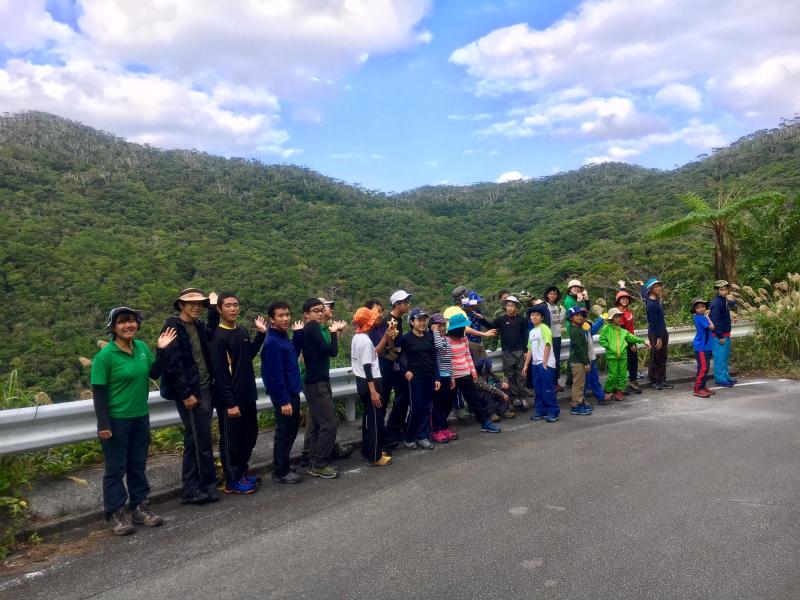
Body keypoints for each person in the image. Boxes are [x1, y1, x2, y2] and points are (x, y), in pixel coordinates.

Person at [92, 307, 176, 535]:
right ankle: (115, 513)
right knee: (116, 469)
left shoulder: (140, 348)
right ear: (113, 327)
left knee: (137, 465)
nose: (128, 325)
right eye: (122, 322)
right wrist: (104, 424)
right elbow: (98, 393)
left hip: (140, 416)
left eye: (131, 321)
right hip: (117, 420)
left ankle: (140, 508)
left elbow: (154, 373)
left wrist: (162, 350)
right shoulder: (105, 356)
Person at [159, 288, 219, 505]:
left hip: (204, 388)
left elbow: (212, 333)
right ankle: (203, 486)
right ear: (181, 305)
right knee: (200, 440)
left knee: (195, 438)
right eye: (190, 303)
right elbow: (173, 363)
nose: (196, 307)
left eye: (200, 304)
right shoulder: (173, 327)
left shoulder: (198, 325)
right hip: (191, 392)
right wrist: (186, 394)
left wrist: (212, 309)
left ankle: (193, 486)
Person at [208, 292, 266, 494]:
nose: (233, 309)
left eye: (236, 305)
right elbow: (220, 373)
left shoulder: (241, 330)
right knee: (231, 440)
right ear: (219, 309)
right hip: (230, 399)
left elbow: (247, 355)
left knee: (249, 436)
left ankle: (241, 472)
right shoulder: (217, 337)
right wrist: (230, 403)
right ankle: (232, 479)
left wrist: (261, 334)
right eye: (228, 306)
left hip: (247, 394)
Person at [296, 298, 354, 467]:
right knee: (329, 425)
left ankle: (314, 457)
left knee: (318, 424)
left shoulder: (316, 328)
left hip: (317, 380)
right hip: (315, 382)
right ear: (306, 314)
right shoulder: (312, 326)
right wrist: (335, 332)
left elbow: (324, 351)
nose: (320, 313)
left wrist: (334, 332)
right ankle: (320, 463)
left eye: (322, 309)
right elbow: (332, 351)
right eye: (316, 310)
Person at [261, 301, 303, 484]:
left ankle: (283, 464)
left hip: (291, 393)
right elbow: (274, 375)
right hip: (284, 396)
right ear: (271, 319)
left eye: (287, 314)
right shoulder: (272, 342)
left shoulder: (282, 336)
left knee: (291, 430)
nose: (285, 318)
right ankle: (280, 471)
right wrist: (284, 401)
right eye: (280, 316)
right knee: (284, 432)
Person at [445, 313, 501, 433]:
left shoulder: (464, 339)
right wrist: (451, 377)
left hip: (466, 374)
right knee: (447, 402)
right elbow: (447, 361)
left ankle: (485, 422)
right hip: (453, 377)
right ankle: (441, 427)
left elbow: (467, 356)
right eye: (462, 327)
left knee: (475, 400)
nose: (464, 329)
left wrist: (473, 372)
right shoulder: (446, 341)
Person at [351, 307, 392, 466]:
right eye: (372, 318)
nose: (375, 319)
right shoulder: (366, 341)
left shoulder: (357, 337)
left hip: (360, 381)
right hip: (370, 382)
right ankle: (375, 456)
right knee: (375, 421)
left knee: (369, 419)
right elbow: (368, 366)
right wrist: (374, 391)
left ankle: (368, 451)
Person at [398, 308, 441, 450]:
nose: (422, 323)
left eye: (424, 320)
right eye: (419, 320)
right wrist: (405, 372)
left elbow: (434, 358)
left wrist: (437, 377)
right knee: (416, 408)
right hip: (414, 378)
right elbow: (400, 357)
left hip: (429, 376)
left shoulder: (429, 336)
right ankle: (409, 437)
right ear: (412, 322)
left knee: (427, 407)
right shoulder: (405, 338)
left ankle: (422, 436)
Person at [486, 295, 529, 413]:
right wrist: (480, 318)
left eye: (512, 306)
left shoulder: (522, 320)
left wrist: (526, 350)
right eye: (508, 306)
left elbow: (526, 336)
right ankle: (514, 398)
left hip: (520, 350)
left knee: (521, 375)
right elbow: (490, 326)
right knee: (509, 375)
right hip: (507, 351)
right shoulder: (501, 320)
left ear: (516, 307)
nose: (510, 308)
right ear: (505, 307)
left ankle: (523, 397)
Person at [382, 290, 413, 449]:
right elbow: (391, 345)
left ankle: (395, 430)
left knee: (403, 398)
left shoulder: (397, 319)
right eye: (405, 302)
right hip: (389, 366)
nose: (408, 305)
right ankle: (390, 432)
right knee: (400, 398)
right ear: (396, 304)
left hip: (396, 364)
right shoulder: (390, 321)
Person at [599, 308, 650, 402]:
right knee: (613, 375)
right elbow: (602, 340)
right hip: (612, 356)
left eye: (620, 316)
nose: (619, 318)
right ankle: (608, 391)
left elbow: (631, 337)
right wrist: (609, 346)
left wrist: (643, 341)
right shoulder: (606, 329)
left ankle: (620, 391)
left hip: (623, 356)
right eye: (616, 316)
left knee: (622, 375)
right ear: (611, 318)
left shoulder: (622, 330)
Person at [522, 304, 560, 422]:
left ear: (542, 317)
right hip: (535, 364)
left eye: (537, 315)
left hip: (546, 364)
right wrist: (526, 365)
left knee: (548, 388)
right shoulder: (532, 331)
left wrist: (544, 362)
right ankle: (541, 411)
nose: (534, 317)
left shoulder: (544, 328)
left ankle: (554, 411)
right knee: (538, 389)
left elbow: (548, 345)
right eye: (532, 315)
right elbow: (529, 349)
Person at [636, 278, 672, 390]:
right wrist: (659, 338)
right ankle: (655, 381)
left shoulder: (650, 298)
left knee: (662, 356)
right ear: (651, 289)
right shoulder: (651, 305)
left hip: (662, 332)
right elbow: (653, 323)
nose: (659, 288)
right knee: (656, 357)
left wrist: (641, 284)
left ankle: (662, 379)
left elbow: (643, 293)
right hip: (656, 333)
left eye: (659, 286)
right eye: (655, 287)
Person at [429, 313, 458, 444]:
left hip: (447, 376)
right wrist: (434, 331)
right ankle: (436, 430)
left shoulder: (446, 339)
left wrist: (452, 377)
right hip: (437, 377)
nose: (441, 328)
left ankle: (444, 427)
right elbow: (438, 347)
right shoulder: (432, 339)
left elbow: (449, 359)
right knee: (437, 405)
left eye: (443, 325)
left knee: (446, 404)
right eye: (439, 325)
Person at [709, 280, 737, 387]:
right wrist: (720, 336)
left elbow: (728, 304)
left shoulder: (723, 300)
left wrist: (732, 303)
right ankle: (720, 379)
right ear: (717, 290)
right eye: (721, 290)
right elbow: (714, 321)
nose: (724, 292)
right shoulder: (716, 303)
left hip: (726, 332)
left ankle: (725, 376)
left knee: (724, 357)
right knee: (720, 357)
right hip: (719, 335)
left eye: (725, 289)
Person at [563, 279, 590, 387]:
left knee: (576, 351)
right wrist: (579, 301)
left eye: (578, 287)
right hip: (574, 328)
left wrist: (586, 299)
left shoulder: (577, 298)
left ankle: (572, 379)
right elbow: (573, 314)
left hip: (581, 327)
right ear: (570, 289)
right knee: (574, 353)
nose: (577, 289)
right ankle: (570, 380)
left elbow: (586, 311)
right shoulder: (568, 300)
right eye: (574, 287)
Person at [614, 287, 642, 394]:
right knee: (624, 363)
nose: (625, 300)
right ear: (618, 301)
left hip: (631, 338)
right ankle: (620, 385)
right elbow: (623, 329)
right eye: (622, 299)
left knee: (633, 361)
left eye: (626, 299)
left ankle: (632, 382)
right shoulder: (618, 312)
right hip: (624, 341)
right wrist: (630, 344)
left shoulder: (628, 311)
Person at [566, 307, 593, 416]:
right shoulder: (575, 331)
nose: (579, 317)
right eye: (576, 315)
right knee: (578, 384)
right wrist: (586, 363)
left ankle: (580, 401)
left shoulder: (579, 328)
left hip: (579, 360)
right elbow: (578, 349)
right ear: (571, 318)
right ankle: (575, 405)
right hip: (578, 361)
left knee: (580, 383)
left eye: (581, 315)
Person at [691, 298, 715, 398]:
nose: (701, 309)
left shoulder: (701, 316)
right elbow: (712, 327)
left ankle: (703, 386)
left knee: (705, 368)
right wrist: (707, 316)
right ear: (694, 309)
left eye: (703, 307)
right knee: (703, 368)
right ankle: (697, 389)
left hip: (706, 347)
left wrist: (706, 316)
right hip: (701, 347)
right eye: (698, 307)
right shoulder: (700, 317)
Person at [544, 286, 566, 392]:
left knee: (556, 360)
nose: (553, 295)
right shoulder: (545, 306)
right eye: (551, 293)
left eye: (555, 294)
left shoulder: (556, 307)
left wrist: (564, 310)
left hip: (557, 336)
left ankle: (555, 382)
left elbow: (559, 321)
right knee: (549, 361)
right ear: (547, 295)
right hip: (549, 337)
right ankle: (550, 383)